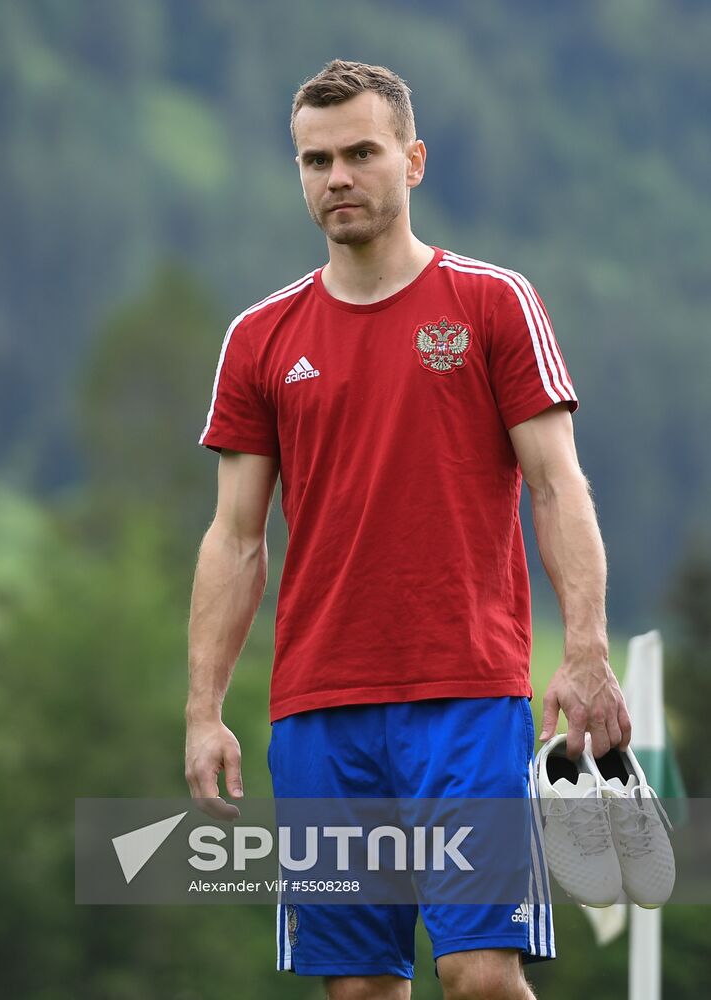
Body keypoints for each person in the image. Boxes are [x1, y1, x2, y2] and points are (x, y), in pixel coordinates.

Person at [186, 59, 631, 1000]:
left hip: (467, 697)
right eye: (316, 161)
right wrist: (203, 708)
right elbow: (235, 539)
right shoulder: (260, 338)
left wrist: (587, 650)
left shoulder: (492, 303)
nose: (337, 177)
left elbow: (558, 487)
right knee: (358, 989)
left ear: (413, 160)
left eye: (361, 153)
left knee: (480, 975)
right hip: (319, 709)